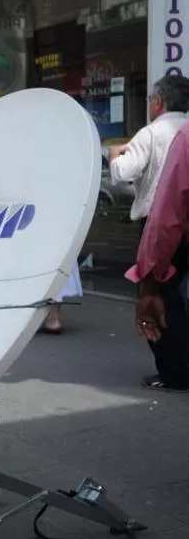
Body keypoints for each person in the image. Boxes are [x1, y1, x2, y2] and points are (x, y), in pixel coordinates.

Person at [110, 76, 189, 389]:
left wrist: (115, 154)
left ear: (158, 102)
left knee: (162, 297)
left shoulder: (152, 133)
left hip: (162, 226)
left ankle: (175, 371)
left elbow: (121, 174)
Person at [130, 119, 189, 359]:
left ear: (157, 103)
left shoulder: (184, 137)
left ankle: (176, 374)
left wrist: (150, 287)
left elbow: (167, 218)